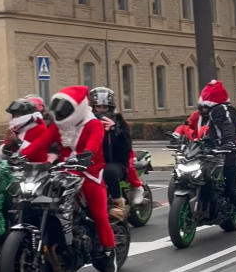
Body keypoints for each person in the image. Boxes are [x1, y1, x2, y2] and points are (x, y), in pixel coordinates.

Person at [20, 86, 117, 272]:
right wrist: (20, 156)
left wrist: (87, 155)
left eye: (65, 109)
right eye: (59, 109)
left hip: (89, 172)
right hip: (63, 171)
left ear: (77, 107)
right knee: (38, 199)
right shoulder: (58, 126)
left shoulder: (94, 124)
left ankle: (108, 250)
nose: (61, 113)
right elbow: (40, 143)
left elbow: (94, 143)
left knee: (99, 214)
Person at [197, 80, 236, 238]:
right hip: (218, 154)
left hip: (227, 156)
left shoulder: (220, 110)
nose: (202, 109)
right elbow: (215, 132)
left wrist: (227, 144)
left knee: (231, 189)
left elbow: (228, 128)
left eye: (204, 105)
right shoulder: (220, 110)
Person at [89, 87, 144, 220]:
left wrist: (114, 131)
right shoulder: (87, 122)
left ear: (111, 107)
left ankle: (118, 205)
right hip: (91, 162)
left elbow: (126, 147)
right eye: (98, 107)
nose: (102, 110)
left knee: (110, 171)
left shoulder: (119, 122)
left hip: (115, 162)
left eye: (105, 107)